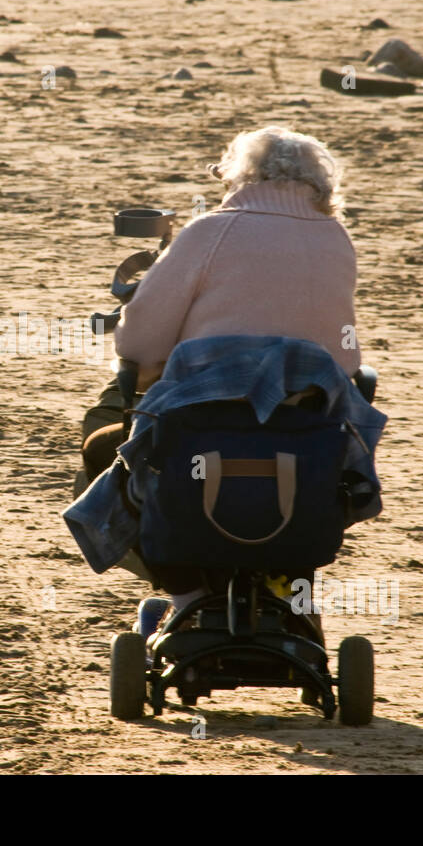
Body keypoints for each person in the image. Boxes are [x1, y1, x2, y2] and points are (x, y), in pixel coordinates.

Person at [77, 125, 364, 613]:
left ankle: (185, 594)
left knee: (102, 443)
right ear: (321, 186)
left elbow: (139, 341)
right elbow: (345, 355)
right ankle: (285, 583)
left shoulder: (210, 231)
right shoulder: (336, 240)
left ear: (238, 178)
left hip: (204, 428)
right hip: (304, 429)